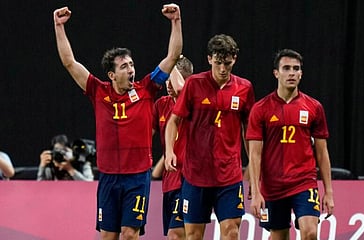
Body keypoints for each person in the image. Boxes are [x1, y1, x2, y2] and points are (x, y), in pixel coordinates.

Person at [53, 3, 182, 239]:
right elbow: (69, 62)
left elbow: (173, 56)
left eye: (131, 64)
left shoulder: (147, 88)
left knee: (129, 233)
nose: (131, 69)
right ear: (112, 75)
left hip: (137, 176)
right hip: (108, 177)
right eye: (124, 66)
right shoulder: (97, 91)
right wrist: (59, 26)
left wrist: (176, 21)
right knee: (108, 236)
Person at [164, 34, 255, 240]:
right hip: (196, 175)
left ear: (235, 60)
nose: (223, 69)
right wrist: (169, 150)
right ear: (209, 59)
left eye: (227, 63)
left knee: (231, 232)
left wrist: (253, 165)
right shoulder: (194, 84)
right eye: (218, 62)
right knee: (194, 236)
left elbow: (248, 129)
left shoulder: (245, 88)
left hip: (229, 176)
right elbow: (173, 121)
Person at [246, 49, 334, 240]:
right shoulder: (260, 109)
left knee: (310, 232)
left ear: (301, 74)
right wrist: (256, 189)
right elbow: (254, 154)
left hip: (304, 181)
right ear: (276, 73)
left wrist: (328, 191)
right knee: (279, 236)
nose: (292, 73)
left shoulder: (314, 107)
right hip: (273, 185)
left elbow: (322, 152)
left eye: (296, 69)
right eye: (286, 68)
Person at [151, 55, 193, 239]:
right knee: (174, 235)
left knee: (176, 235)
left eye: (173, 77)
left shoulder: (194, 102)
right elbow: (146, 134)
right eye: (166, 78)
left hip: (188, 179)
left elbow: (180, 89)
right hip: (169, 181)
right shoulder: (161, 105)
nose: (168, 83)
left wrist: (173, 59)